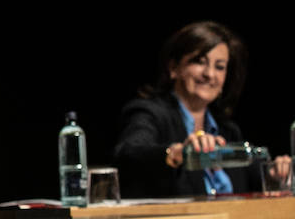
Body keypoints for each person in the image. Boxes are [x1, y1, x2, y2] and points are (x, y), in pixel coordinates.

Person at [112, 21, 290, 199]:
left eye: (219, 67)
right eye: (199, 62)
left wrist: (275, 174)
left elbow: (256, 184)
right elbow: (128, 154)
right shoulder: (150, 113)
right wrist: (177, 153)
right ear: (174, 68)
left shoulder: (228, 131)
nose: (210, 74)